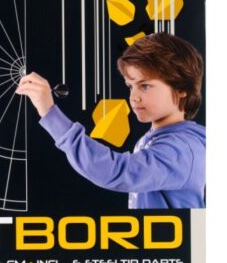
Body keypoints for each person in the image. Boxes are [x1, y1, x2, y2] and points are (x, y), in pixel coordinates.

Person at [15, 33, 205, 209]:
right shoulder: (161, 138)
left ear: (182, 89)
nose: (134, 97)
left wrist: (50, 113)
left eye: (145, 86)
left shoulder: (181, 149)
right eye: (130, 86)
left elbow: (116, 171)